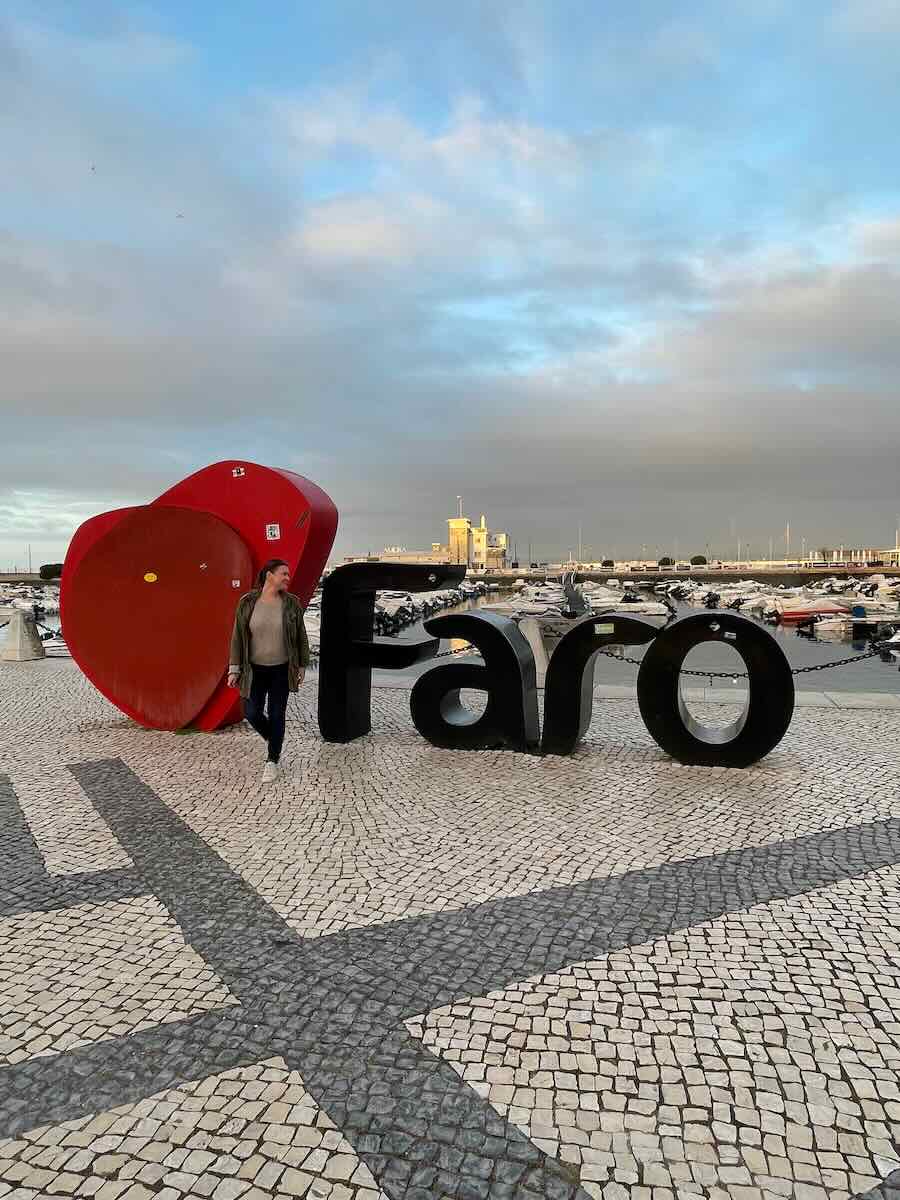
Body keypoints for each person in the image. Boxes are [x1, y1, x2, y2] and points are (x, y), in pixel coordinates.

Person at [227, 558, 310, 783]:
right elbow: (237, 637)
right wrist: (234, 669)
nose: (287, 578)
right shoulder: (247, 602)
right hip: (254, 670)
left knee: (276, 714)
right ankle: (274, 739)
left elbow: (301, 637)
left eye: (288, 574)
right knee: (251, 713)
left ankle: (272, 760)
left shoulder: (291, 603)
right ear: (269, 576)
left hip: (281, 670)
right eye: (283, 573)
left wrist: (301, 665)